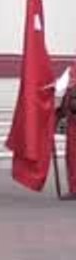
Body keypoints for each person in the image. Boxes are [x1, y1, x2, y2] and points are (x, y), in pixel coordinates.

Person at [55, 63, 76, 201]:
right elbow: (60, 92)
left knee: (74, 156)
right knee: (73, 156)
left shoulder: (72, 70)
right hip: (73, 119)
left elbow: (59, 92)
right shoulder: (71, 70)